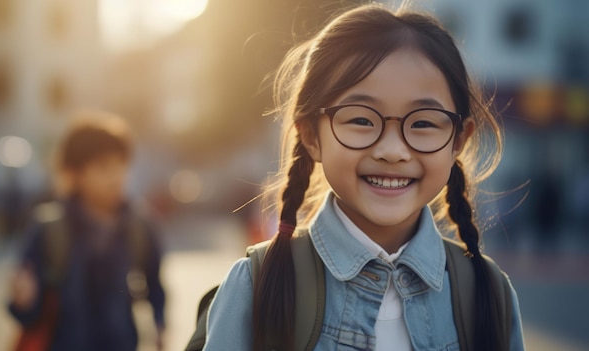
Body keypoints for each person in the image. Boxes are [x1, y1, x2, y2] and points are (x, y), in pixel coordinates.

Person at [203, 3, 524, 351]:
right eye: (360, 119)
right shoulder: (256, 285)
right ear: (311, 135)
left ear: (458, 140)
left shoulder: (489, 292)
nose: (392, 150)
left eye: (423, 122)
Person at [8, 111, 166, 351]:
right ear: (75, 173)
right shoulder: (49, 229)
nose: (116, 176)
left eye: (121, 164)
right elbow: (30, 316)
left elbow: (155, 285)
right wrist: (23, 302)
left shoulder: (140, 226)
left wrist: (160, 324)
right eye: (103, 166)